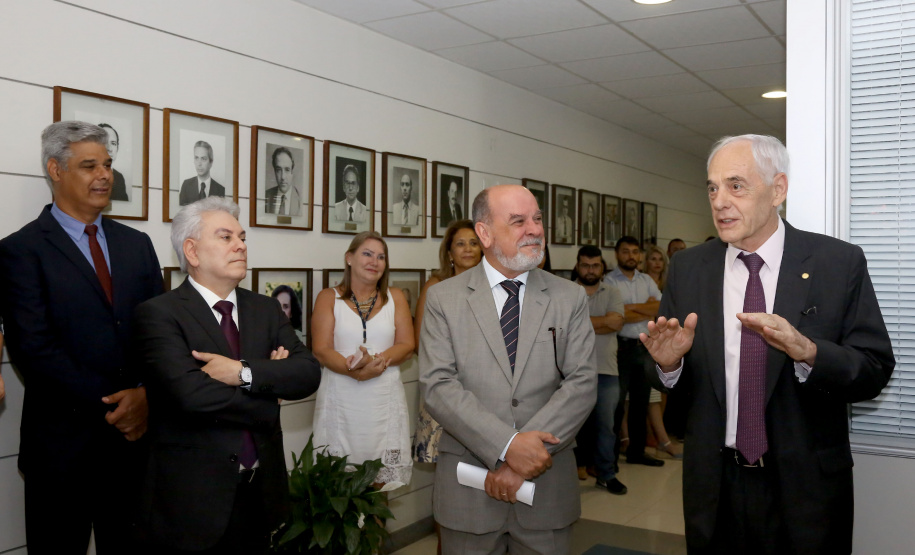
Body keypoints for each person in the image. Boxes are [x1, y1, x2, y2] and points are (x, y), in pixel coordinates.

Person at [641, 135, 895, 554]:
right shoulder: (688, 268)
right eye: (712, 188)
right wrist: (669, 366)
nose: (720, 201)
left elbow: (874, 369)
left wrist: (809, 352)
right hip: (715, 486)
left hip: (806, 489)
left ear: (778, 190)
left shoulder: (837, 262)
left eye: (736, 185)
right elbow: (667, 370)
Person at [0, 121, 164, 554]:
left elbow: (160, 334)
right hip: (61, 452)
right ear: (55, 170)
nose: (105, 175)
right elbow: (33, 350)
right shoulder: (20, 250)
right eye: (90, 166)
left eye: (107, 164)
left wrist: (146, 395)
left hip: (134, 448)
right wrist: (119, 404)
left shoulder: (138, 245)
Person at [133, 197, 321, 554]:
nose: (241, 245)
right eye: (226, 237)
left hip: (261, 490)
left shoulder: (265, 308)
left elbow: (307, 373)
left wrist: (242, 372)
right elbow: (191, 395)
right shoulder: (159, 314)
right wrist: (269, 391)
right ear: (192, 251)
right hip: (193, 499)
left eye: (242, 237)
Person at [419, 184, 596, 555]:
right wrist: (507, 445)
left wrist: (523, 459)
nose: (534, 230)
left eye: (537, 219)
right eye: (518, 221)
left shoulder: (569, 297)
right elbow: (438, 386)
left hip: (546, 491)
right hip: (469, 492)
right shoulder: (443, 299)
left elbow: (581, 383)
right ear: (484, 233)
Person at [311, 231, 415, 485]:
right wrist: (357, 371)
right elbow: (321, 349)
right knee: (338, 484)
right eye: (367, 254)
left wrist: (375, 361)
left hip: (384, 401)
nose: (374, 262)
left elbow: (407, 345)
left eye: (381, 257)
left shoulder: (396, 297)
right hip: (341, 399)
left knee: (381, 485)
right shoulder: (328, 297)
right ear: (349, 258)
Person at [413, 219, 482, 463]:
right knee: (445, 459)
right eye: (460, 244)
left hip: (483, 387)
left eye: (474, 243)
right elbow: (421, 343)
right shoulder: (436, 287)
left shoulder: (492, 287)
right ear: (450, 253)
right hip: (444, 384)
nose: (468, 249)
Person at [605, 236, 665, 467]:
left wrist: (629, 309)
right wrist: (644, 309)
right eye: (625, 251)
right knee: (617, 404)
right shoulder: (609, 281)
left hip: (645, 347)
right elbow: (615, 316)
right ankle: (609, 458)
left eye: (634, 251)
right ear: (617, 254)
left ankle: (637, 453)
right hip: (620, 348)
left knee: (641, 403)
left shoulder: (646, 280)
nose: (631, 256)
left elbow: (659, 307)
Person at [572, 246, 626, 494]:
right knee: (569, 427)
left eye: (595, 265)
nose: (590, 270)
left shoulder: (613, 292)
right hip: (572, 371)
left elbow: (616, 323)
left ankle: (606, 474)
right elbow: (564, 328)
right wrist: (603, 321)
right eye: (585, 265)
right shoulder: (567, 292)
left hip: (606, 370)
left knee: (606, 427)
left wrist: (581, 324)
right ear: (577, 266)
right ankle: (569, 473)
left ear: (602, 267)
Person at [178, 140, 226, 206]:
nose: (199, 164)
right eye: (196, 158)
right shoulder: (186, 185)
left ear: (211, 162)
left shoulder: (221, 191)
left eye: (203, 159)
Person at [264, 147, 301, 216]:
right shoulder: (265, 196)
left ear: (292, 172)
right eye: (278, 170)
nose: (283, 177)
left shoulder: (301, 200)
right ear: (274, 171)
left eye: (287, 170)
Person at [99, 123, 128, 201]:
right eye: (105, 142)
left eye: (113, 143)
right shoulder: (85, 175)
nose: (109, 148)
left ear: (117, 148)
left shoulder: (119, 178)